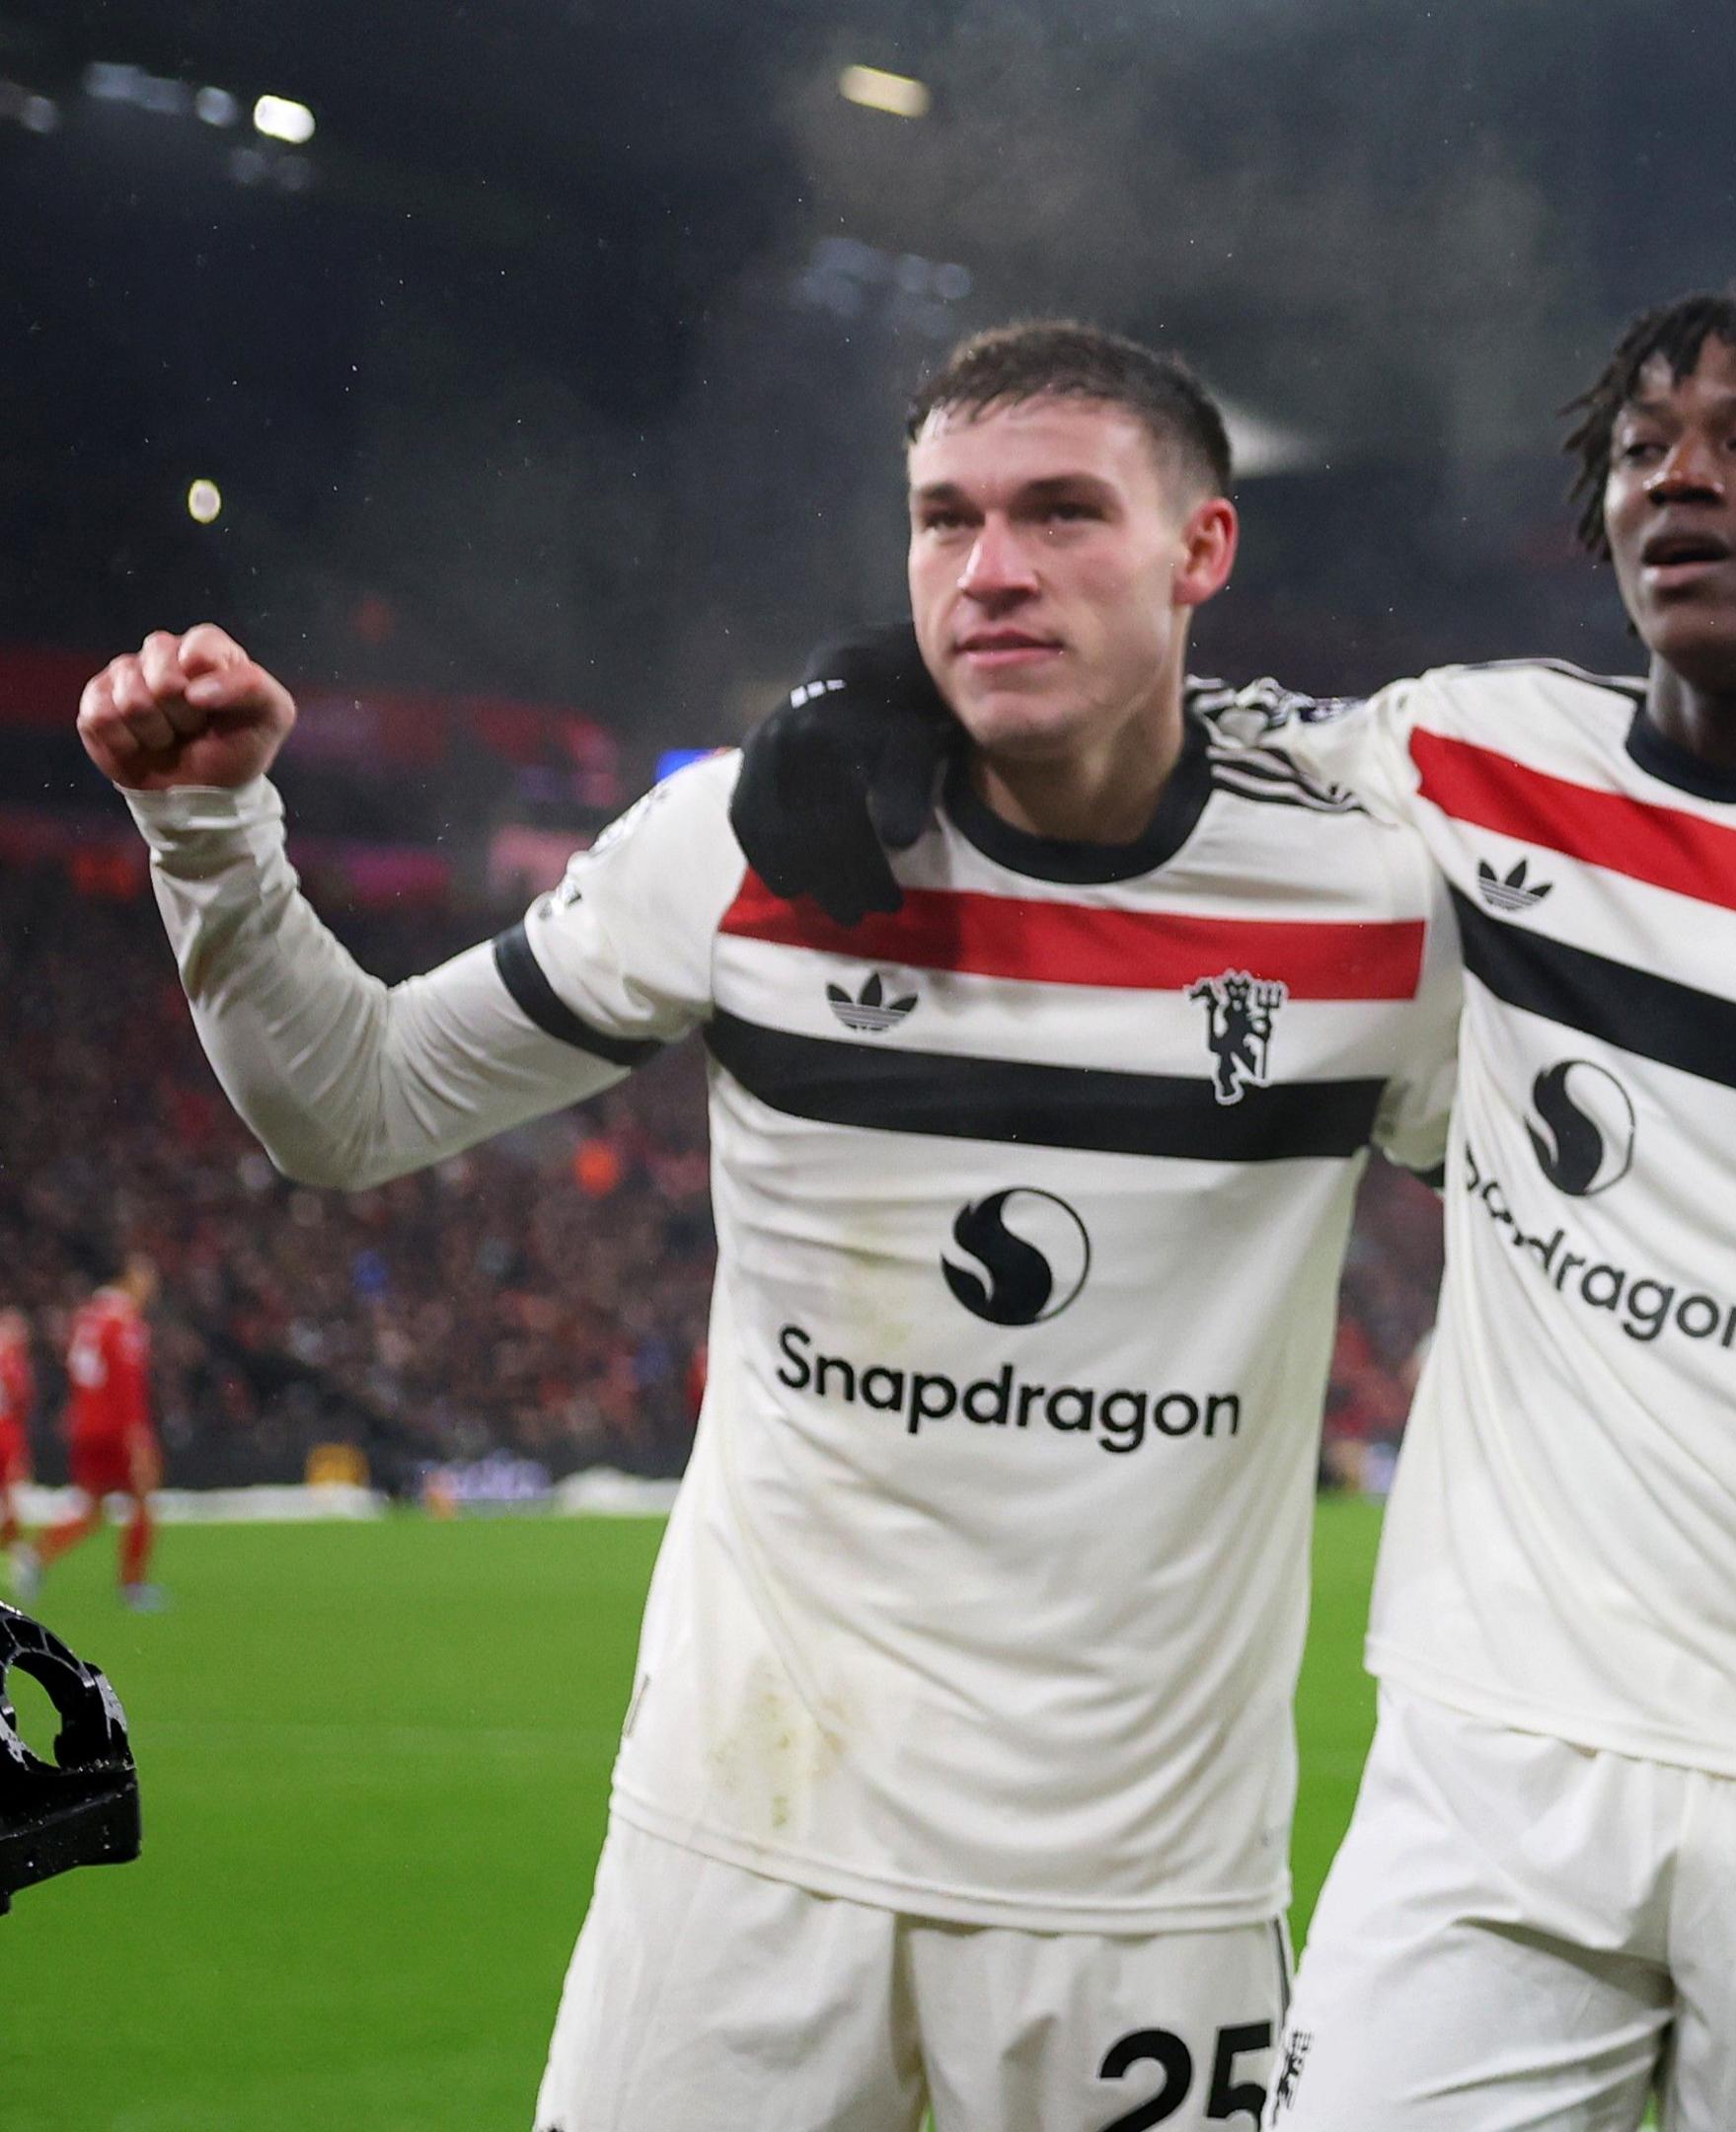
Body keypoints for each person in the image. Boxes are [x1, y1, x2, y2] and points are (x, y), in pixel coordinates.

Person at [741, 287, 1736, 2132]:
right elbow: (1150, 746)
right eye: (1644, 450)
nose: (1682, 481)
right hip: (1480, 1780)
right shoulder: (1471, 758)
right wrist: (872, 681)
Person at [90, 323, 1474, 2130]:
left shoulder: (1366, 909)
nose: (993, 569)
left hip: (1136, 1905)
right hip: (742, 1854)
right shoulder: (743, 850)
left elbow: (1589, 1217)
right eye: (946, 519)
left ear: (1201, 550)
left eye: (1064, 514)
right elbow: (351, 1103)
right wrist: (209, 830)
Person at [37, 1259, 164, 1611]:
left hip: (86, 1424)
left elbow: (83, 1372)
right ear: (128, 1279)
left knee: (91, 1506)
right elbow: (127, 1384)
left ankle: (37, 1557)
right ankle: (134, 1585)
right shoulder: (124, 1322)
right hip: (116, 1427)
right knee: (143, 1495)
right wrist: (138, 1435)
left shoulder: (88, 1316)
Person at [2, 1304, 40, 1604]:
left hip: (8, 1437)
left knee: (9, 1505)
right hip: (6, 1438)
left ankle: (20, 1557)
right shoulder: (15, 1365)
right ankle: (22, 1559)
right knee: (11, 1504)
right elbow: (21, 1407)